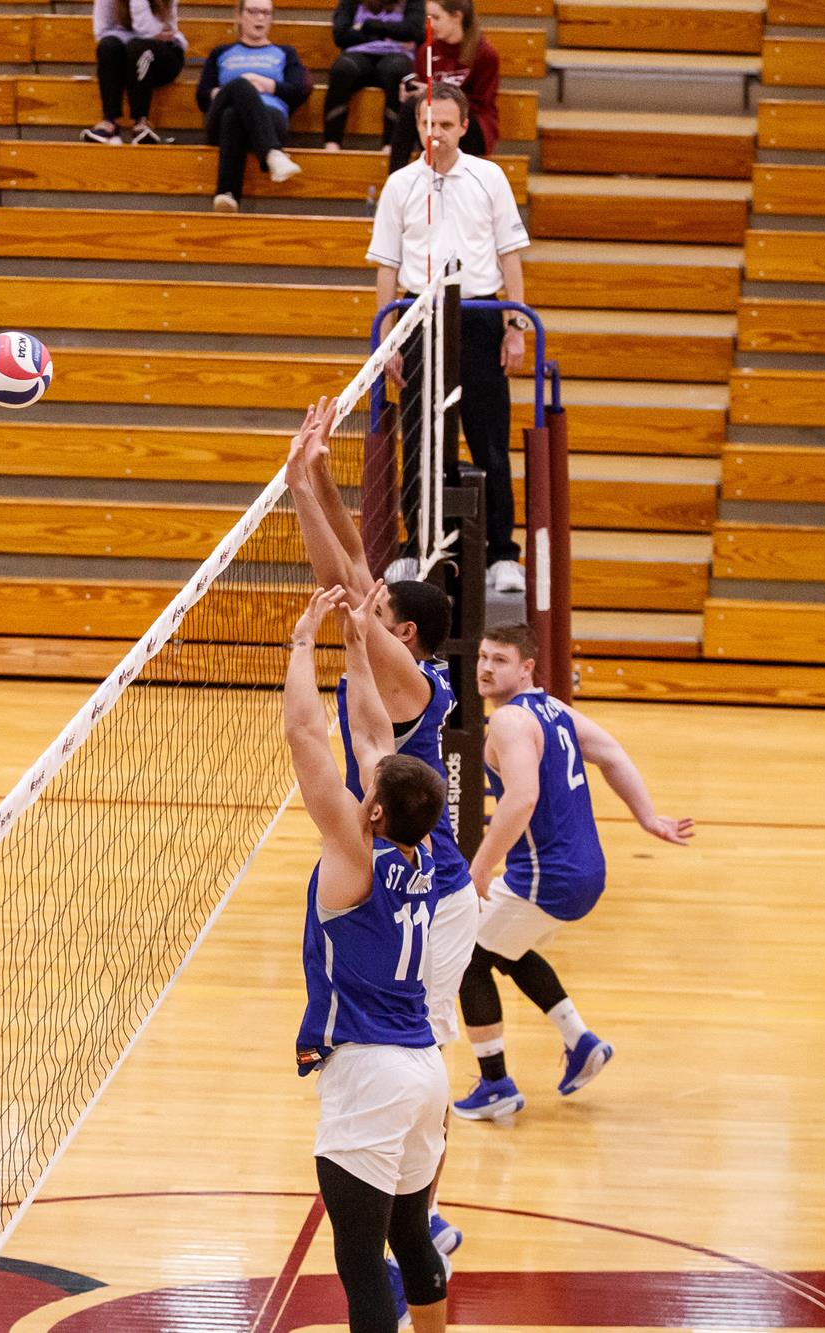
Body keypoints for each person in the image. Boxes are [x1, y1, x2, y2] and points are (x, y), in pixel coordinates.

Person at [285, 400, 477, 1258]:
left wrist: (296, 490)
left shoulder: (407, 684)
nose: (369, 591)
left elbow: (353, 593)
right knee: (417, 1047)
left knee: (422, 1048)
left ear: (404, 631)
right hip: (415, 872)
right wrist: (319, 468)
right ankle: (418, 1209)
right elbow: (361, 567)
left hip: (431, 891)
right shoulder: (402, 670)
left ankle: (422, 1214)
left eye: (379, 607)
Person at [286, 587, 450, 1333]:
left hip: (371, 1072)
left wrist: (299, 646)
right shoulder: (416, 853)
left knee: (358, 1264)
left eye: (370, 785)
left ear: (375, 808)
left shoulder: (352, 854)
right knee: (411, 1235)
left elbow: (306, 738)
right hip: (424, 1071)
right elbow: (372, 734)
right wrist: (354, 646)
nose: (364, 774)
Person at [452, 623, 693, 1122]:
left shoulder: (511, 722)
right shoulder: (556, 710)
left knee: (467, 958)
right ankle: (580, 1041)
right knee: (505, 947)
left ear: (526, 667)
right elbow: (611, 753)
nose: (486, 668)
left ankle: (495, 1084)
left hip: (547, 875)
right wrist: (647, 817)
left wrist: (478, 869)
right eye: (482, 657)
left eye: (500, 660)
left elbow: (521, 799)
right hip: (581, 871)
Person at [368, 81, 531, 594]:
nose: (434, 133)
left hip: (481, 315)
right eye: (426, 124)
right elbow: (387, 266)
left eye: (444, 124)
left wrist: (516, 324)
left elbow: (510, 253)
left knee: (489, 440)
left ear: (463, 126)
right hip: (420, 314)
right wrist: (388, 338)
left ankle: (502, 556)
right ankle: (416, 549)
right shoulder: (400, 186)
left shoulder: (489, 177)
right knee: (419, 441)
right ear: (417, 127)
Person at [195, 0, 309, 212]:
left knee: (234, 115)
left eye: (266, 13)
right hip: (217, 122)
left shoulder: (285, 53)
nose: (260, 18)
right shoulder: (221, 53)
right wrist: (232, 90)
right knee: (240, 85)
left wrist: (269, 85)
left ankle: (227, 194)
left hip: (270, 118)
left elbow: (298, 90)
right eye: (254, 11)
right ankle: (273, 154)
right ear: (239, 15)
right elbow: (202, 97)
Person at [387, 0, 500, 172]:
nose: (429, 25)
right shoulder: (426, 51)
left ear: (456, 17)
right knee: (411, 106)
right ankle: (395, 179)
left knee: (428, 108)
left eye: (436, 18)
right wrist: (414, 94)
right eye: (428, 18)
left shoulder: (485, 54)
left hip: (470, 123)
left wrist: (436, 93)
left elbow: (481, 103)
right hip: (436, 122)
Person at [81, 0, 189, 145]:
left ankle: (141, 121)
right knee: (108, 46)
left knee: (138, 48)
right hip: (129, 58)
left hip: (164, 57)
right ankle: (110, 121)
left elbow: (150, 30)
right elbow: (101, 33)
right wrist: (136, 41)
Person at [324, 0, 424, 151]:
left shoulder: (412, 3)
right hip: (358, 54)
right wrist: (389, 34)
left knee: (399, 72)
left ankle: (390, 145)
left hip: (396, 55)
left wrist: (367, 26)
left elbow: (414, 32)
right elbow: (341, 35)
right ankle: (332, 143)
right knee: (341, 70)